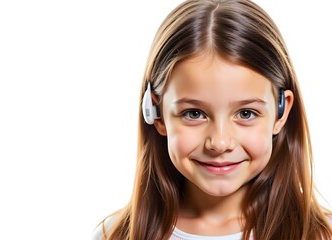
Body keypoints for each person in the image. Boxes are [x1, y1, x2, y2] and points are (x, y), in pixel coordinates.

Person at [93, 0, 332, 239]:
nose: (219, 143)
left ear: (281, 112)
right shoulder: (114, 234)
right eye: (194, 114)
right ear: (156, 113)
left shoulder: (321, 234)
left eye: (246, 113)